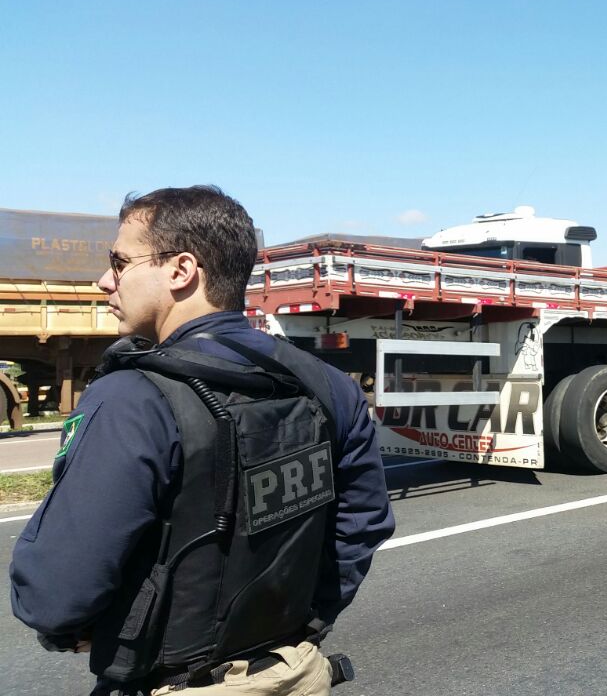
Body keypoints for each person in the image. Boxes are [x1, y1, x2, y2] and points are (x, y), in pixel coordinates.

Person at [9, 186, 396, 695]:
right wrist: (299, 625)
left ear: (181, 270)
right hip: (295, 672)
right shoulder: (329, 386)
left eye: (120, 262)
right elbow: (362, 524)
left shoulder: (131, 398)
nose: (106, 281)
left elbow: (56, 593)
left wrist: (95, 629)